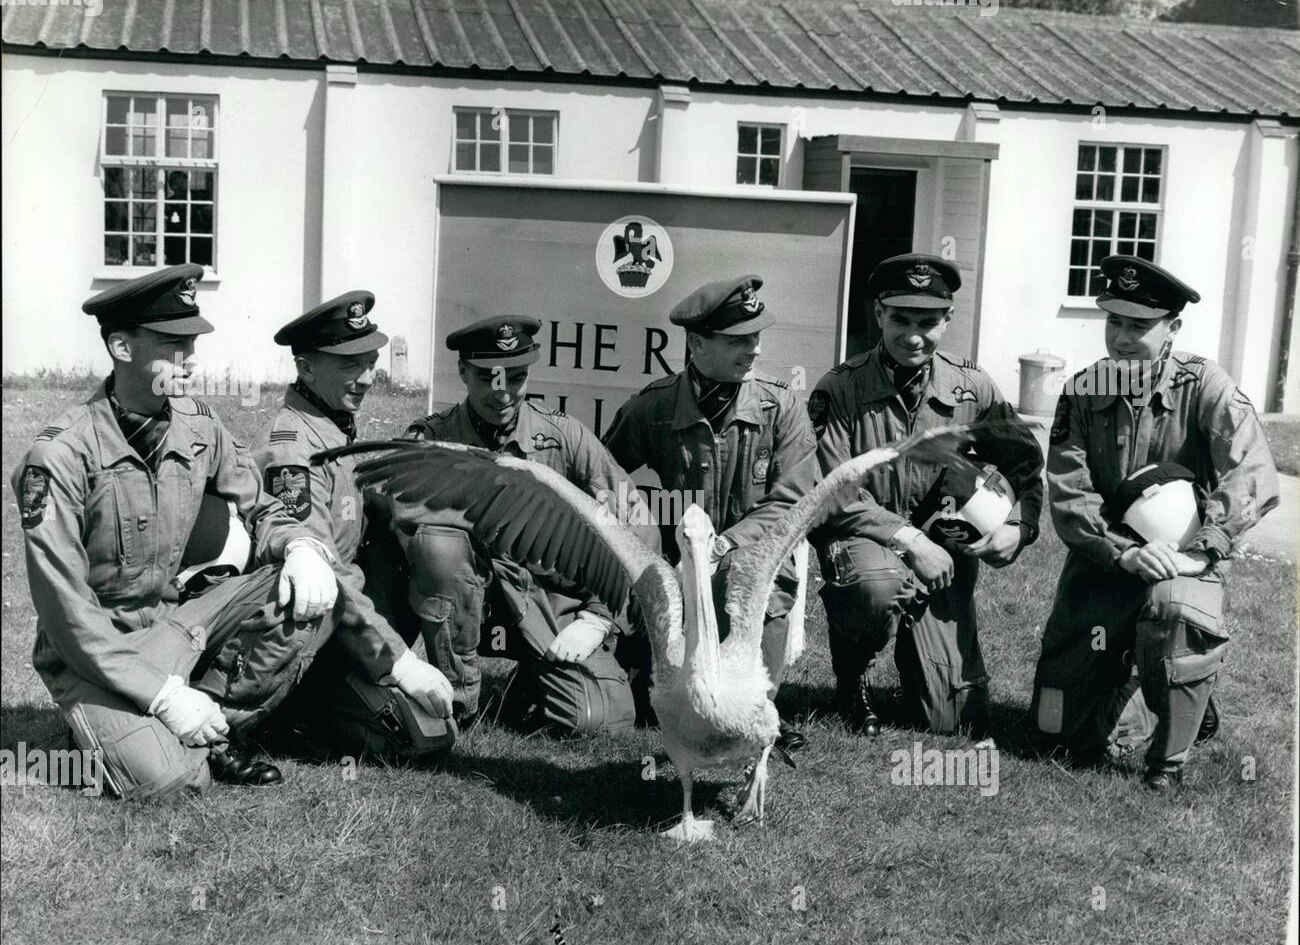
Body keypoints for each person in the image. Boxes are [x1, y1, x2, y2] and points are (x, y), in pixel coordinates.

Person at [12, 264, 340, 799]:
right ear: (122, 347)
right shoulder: (59, 456)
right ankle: (113, 726)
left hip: (173, 625)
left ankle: (218, 724)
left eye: (191, 343)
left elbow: (262, 505)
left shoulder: (198, 425)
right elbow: (65, 610)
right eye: (171, 344)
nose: (187, 360)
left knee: (307, 585)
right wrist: (161, 695)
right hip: (94, 650)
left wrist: (300, 544)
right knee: (172, 784)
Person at [1030, 255, 1279, 791]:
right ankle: (1154, 687)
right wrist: (1120, 551)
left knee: (1171, 610)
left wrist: (1203, 549)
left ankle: (1170, 751)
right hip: (1107, 562)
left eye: (1138, 326)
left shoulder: (1206, 384)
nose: (1121, 338)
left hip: (1182, 560)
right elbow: (1071, 491)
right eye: (1113, 322)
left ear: (1172, 328)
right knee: (1056, 735)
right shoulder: (1083, 389)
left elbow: (1251, 470)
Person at [360, 315, 651, 735]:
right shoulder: (430, 441)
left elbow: (634, 522)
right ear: (462, 372)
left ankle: (534, 681)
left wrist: (597, 617)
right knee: (439, 546)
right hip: (458, 594)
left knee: (599, 722)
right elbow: (398, 517)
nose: (502, 393)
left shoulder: (563, 437)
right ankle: (458, 701)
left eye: (515, 378)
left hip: (543, 598)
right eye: (487, 378)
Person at [807, 254, 1044, 741]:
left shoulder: (972, 387)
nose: (913, 336)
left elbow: (1024, 458)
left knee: (953, 720)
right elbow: (833, 490)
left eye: (928, 322)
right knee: (876, 586)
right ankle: (852, 680)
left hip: (944, 551)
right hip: (864, 537)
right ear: (878, 314)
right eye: (900, 319)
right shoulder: (841, 388)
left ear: (947, 320)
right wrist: (909, 539)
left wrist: (1020, 527)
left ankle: (920, 654)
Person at [601, 275, 816, 755]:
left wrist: (723, 546)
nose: (755, 350)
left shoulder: (780, 407)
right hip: (680, 565)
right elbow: (603, 476)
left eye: (757, 337)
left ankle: (758, 710)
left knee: (770, 581)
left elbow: (794, 499)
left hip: (748, 557)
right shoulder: (653, 407)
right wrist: (647, 533)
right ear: (697, 344)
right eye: (739, 340)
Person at [252, 291, 456, 762]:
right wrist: (401, 662)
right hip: (313, 626)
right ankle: (297, 703)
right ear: (305, 369)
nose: (366, 379)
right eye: (350, 366)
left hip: (347, 621)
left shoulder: (335, 427)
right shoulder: (293, 452)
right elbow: (326, 574)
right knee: (418, 740)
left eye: (370, 363)